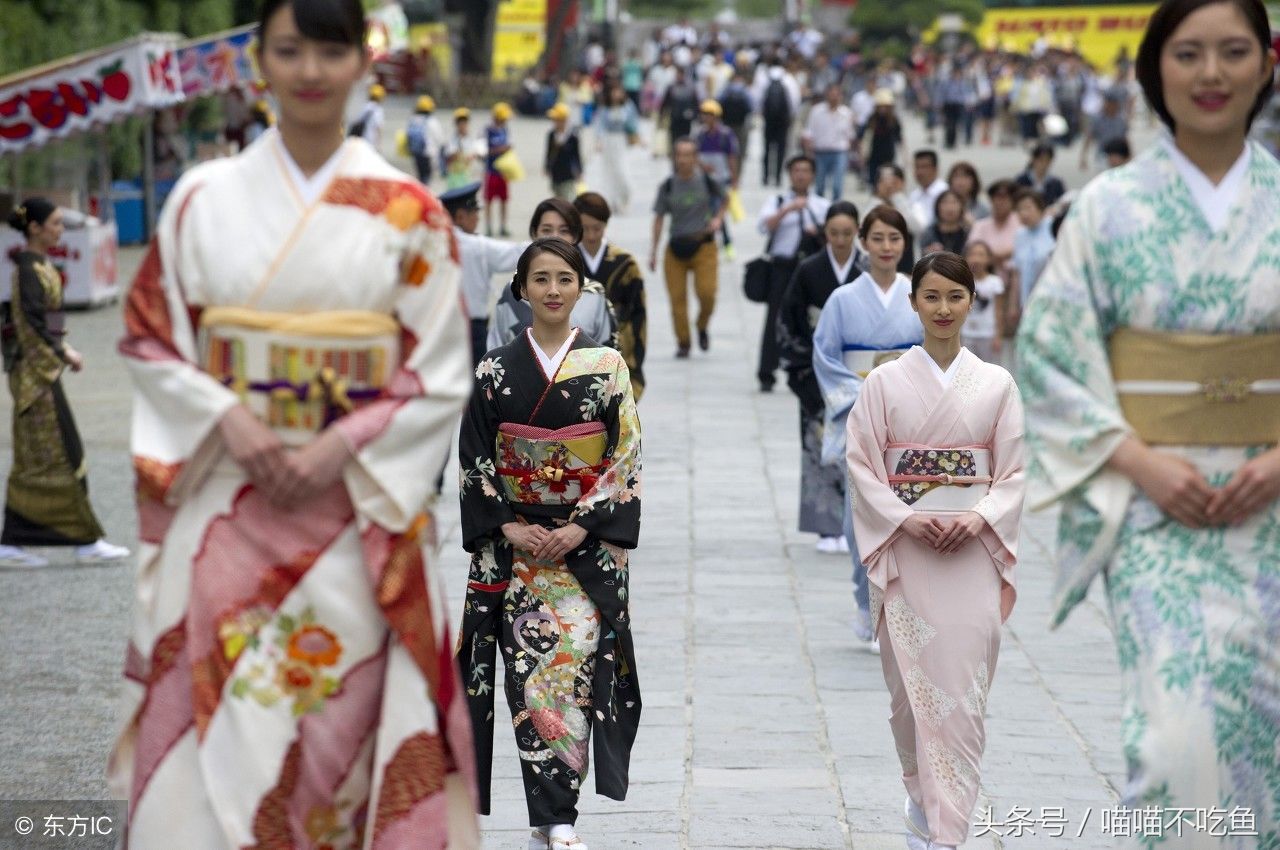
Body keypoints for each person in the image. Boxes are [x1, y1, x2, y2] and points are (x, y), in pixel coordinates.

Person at [109, 1, 478, 845]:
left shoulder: (410, 210)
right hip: (226, 507)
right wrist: (230, 420)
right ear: (259, 64)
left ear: (362, 63)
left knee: (335, 749)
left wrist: (337, 444)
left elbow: (439, 370)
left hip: (355, 524)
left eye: (329, 50)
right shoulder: (202, 199)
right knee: (209, 736)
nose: (310, 70)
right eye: (289, 50)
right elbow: (148, 334)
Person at [1018, 0, 1280, 840]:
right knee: (1174, 746)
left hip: (1275, 505)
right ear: (1154, 70)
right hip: (1156, 511)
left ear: (1267, 64)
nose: (1212, 74)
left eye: (1234, 51)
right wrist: (1137, 459)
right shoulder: (1107, 208)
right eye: (1190, 53)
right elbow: (1051, 351)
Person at [457, 238, 641, 850]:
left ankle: (557, 815)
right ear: (521, 289)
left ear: (582, 288)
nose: (554, 290)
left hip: (579, 550)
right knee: (531, 679)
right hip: (517, 554)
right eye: (541, 279)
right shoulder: (492, 371)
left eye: (565, 278)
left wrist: (581, 525)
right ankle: (552, 817)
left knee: (574, 672)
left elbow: (624, 454)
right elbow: (475, 457)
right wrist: (507, 525)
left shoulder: (608, 365)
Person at [846, 251, 1024, 850]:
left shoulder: (997, 385)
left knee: (964, 695)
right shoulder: (885, 382)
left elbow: (1014, 471)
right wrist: (905, 518)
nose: (943, 308)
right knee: (910, 695)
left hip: (972, 556)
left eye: (955, 296)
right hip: (909, 549)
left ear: (972, 301)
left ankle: (949, 828)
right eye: (932, 296)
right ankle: (923, 796)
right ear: (914, 302)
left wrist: (979, 517)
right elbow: (864, 464)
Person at [813, 206, 923, 650]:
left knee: (906, 509)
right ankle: (866, 599)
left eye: (894, 239)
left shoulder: (917, 293)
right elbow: (825, 355)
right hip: (860, 412)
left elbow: (933, 352)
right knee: (860, 515)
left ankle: (898, 604)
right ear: (864, 241)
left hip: (908, 415)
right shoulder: (842, 300)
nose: (886, 247)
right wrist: (864, 395)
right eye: (877, 238)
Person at [0, 199, 129, 569]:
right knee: (60, 455)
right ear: (35, 229)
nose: (60, 229)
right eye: (55, 223)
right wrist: (63, 353)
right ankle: (82, 541)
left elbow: (43, 322)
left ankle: (23, 539)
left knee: (46, 458)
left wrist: (62, 347)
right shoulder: (28, 270)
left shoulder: (38, 266)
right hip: (34, 378)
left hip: (43, 373)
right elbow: (32, 324)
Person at [778, 201, 865, 554]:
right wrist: (806, 363)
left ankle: (859, 523)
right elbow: (790, 318)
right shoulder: (809, 269)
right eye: (834, 233)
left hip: (862, 371)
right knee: (819, 446)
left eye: (848, 233)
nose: (841, 240)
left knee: (863, 448)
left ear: (857, 232)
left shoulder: (869, 271)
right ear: (824, 233)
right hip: (817, 371)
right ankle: (826, 526)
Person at [489, 198, 617, 351]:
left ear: (576, 236)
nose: (554, 237)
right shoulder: (512, 293)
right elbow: (495, 349)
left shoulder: (595, 294)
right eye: (546, 230)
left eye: (564, 231)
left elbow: (608, 353)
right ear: (534, 233)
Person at [756, 154, 832, 392]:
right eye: (796, 170)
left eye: (805, 171)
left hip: (810, 271)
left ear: (812, 175)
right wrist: (788, 210)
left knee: (810, 319)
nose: (800, 175)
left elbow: (833, 236)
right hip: (782, 267)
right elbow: (763, 227)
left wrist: (817, 230)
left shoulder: (822, 205)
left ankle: (808, 367)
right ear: (790, 174)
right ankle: (767, 371)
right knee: (774, 319)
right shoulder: (777, 201)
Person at [650, 137, 727, 358]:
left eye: (688, 155)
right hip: (675, 248)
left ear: (695, 158)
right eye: (679, 155)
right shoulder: (668, 185)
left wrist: (718, 219)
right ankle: (683, 342)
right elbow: (658, 219)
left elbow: (725, 198)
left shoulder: (706, 180)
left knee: (707, 294)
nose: (683, 160)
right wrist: (654, 251)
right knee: (677, 300)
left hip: (704, 245)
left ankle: (702, 325)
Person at [575, 191, 648, 400]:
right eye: (584, 229)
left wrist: (634, 360)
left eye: (596, 228)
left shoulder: (625, 263)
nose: (590, 236)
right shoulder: (566, 261)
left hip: (617, 349)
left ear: (605, 225)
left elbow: (638, 313)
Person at [443, 182, 526, 364]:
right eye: (475, 213)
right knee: (477, 383)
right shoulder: (476, 246)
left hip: (441, 327)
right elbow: (515, 254)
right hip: (473, 328)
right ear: (460, 217)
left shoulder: (434, 241)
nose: (478, 218)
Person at [1009, 188, 1055, 327]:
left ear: (1041, 208)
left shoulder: (1052, 226)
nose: (1023, 213)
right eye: (1019, 209)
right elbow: (1017, 273)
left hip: (1051, 299)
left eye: (1028, 208)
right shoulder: (1020, 235)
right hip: (1028, 301)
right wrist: (1013, 305)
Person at [592, 83, 641, 213]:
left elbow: (633, 123)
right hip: (608, 141)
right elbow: (600, 125)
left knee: (622, 170)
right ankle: (612, 201)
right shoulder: (604, 108)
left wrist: (637, 137)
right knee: (609, 172)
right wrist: (599, 141)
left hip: (621, 141)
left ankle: (625, 195)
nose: (616, 95)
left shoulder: (628, 106)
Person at [803, 83, 856, 200]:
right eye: (832, 94)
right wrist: (808, 151)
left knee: (838, 185)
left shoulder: (846, 113)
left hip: (839, 152)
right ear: (827, 95)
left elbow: (850, 135)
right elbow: (808, 132)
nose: (834, 97)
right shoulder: (816, 111)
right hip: (821, 152)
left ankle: (836, 210)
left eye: (837, 94)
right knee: (820, 185)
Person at [966, 179, 1020, 292]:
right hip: (984, 286)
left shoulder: (1021, 223)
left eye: (1005, 198)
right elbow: (972, 253)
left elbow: (1022, 249)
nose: (1000, 202)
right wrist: (1005, 254)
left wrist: (989, 256)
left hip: (1015, 284)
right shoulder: (980, 225)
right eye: (996, 197)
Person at [960, 240, 1005, 363]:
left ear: (989, 259)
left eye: (981, 255)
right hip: (968, 333)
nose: (976, 259)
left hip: (988, 334)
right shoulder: (962, 282)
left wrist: (998, 336)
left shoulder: (995, 282)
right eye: (972, 254)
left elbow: (999, 310)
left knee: (991, 368)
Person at [872, 164, 921, 275]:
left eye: (893, 181)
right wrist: (879, 198)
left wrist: (897, 198)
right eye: (883, 181)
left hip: (908, 269)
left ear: (902, 182)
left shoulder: (912, 203)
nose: (889, 186)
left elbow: (917, 228)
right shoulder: (872, 205)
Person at [761, 63, 796, 187]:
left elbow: (759, 101)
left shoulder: (766, 81)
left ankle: (765, 177)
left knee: (767, 150)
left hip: (769, 122)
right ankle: (777, 178)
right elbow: (794, 101)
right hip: (782, 123)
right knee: (780, 151)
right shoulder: (789, 81)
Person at [860, 88, 904, 188]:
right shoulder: (872, 119)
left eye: (885, 106)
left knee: (887, 181)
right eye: (880, 106)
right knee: (873, 182)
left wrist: (905, 156)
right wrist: (862, 154)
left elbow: (899, 138)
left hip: (888, 155)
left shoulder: (893, 120)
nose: (883, 109)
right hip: (873, 156)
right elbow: (863, 136)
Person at [485, 101, 514, 236]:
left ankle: (503, 226)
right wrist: (501, 149)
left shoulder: (505, 130)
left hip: (503, 172)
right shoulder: (488, 131)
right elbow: (484, 150)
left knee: (504, 201)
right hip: (491, 171)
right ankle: (489, 226)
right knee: (489, 201)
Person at [545, 103, 583, 201]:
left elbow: (577, 155)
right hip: (555, 170)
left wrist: (579, 171)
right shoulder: (551, 134)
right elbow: (548, 152)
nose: (555, 122)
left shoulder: (573, 136)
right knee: (557, 194)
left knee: (568, 196)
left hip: (568, 172)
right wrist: (547, 166)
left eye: (557, 120)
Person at [406, 94, 444, 184]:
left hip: (416, 153)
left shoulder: (413, 120)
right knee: (426, 178)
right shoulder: (432, 121)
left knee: (420, 176)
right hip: (428, 154)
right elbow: (440, 139)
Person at [920, 190, 971, 256]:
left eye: (954, 202)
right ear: (937, 207)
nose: (949, 207)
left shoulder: (967, 234)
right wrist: (927, 253)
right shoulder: (928, 233)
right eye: (945, 203)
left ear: (962, 207)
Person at [908, 149, 949, 229]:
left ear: (935, 169)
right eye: (917, 167)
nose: (919, 172)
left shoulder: (945, 192)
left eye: (924, 167)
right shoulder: (914, 195)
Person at [349, 81, 385, 148]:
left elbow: (357, 120)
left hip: (360, 139)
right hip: (371, 141)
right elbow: (378, 128)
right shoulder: (378, 110)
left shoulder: (364, 106)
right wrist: (379, 144)